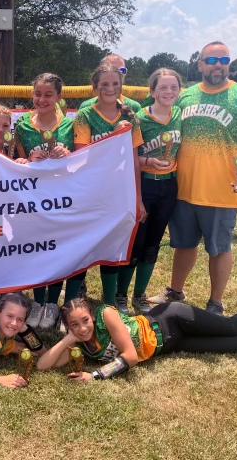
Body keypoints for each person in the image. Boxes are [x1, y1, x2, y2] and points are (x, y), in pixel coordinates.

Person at [148, 41, 237, 315]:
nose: (218, 64)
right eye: (211, 60)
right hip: (183, 188)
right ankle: (175, 290)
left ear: (229, 63)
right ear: (200, 64)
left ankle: (215, 302)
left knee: (219, 248)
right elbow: (156, 121)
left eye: (223, 59)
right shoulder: (184, 96)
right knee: (183, 244)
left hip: (222, 189)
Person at [36, 298, 237, 381]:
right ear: (68, 325)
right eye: (75, 324)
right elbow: (42, 366)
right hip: (169, 345)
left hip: (170, 319)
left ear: (92, 316)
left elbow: (130, 357)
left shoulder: (107, 315)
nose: (83, 327)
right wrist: (66, 340)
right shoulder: (77, 341)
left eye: (85, 321)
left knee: (231, 327)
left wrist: (95, 375)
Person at [73, 64, 146, 313]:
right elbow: (82, 157)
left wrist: (138, 197)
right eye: (104, 84)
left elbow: (135, 159)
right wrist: (113, 138)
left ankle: (110, 300)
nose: (110, 89)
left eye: (115, 84)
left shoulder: (130, 117)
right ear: (95, 87)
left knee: (114, 245)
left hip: (120, 191)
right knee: (83, 244)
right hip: (92, 190)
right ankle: (75, 294)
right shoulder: (85, 115)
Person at [14, 73, 82, 329]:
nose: (41, 99)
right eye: (37, 94)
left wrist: (69, 154)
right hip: (33, 200)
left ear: (59, 97)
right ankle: (38, 301)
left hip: (64, 198)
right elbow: (15, 164)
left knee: (59, 250)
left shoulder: (70, 126)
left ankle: (53, 303)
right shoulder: (21, 126)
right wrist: (28, 160)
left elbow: (82, 161)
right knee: (36, 250)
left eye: (48, 95)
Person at [117, 68, 183, 315]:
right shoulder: (140, 119)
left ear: (179, 91)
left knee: (153, 243)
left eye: (173, 87)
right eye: (163, 88)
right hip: (144, 183)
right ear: (152, 91)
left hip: (169, 185)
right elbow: (128, 155)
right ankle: (121, 294)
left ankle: (139, 294)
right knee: (136, 242)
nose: (168, 92)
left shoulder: (179, 115)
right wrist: (147, 163)